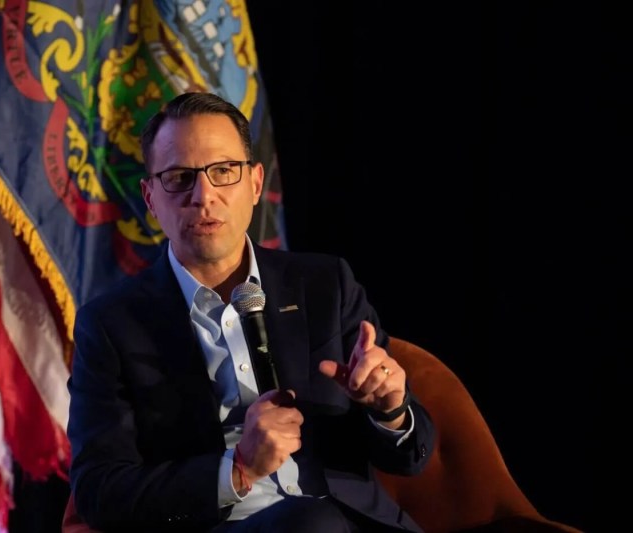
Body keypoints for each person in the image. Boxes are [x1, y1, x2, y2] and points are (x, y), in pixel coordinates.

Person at [66, 92, 436, 532]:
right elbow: (99, 491)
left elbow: (411, 457)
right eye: (180, 177)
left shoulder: (325, 285)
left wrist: (390, 411)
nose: (204, 195)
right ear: (150, 197)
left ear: (256, 183)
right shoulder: (112, 324)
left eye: (224, 171)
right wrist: (238, 467)